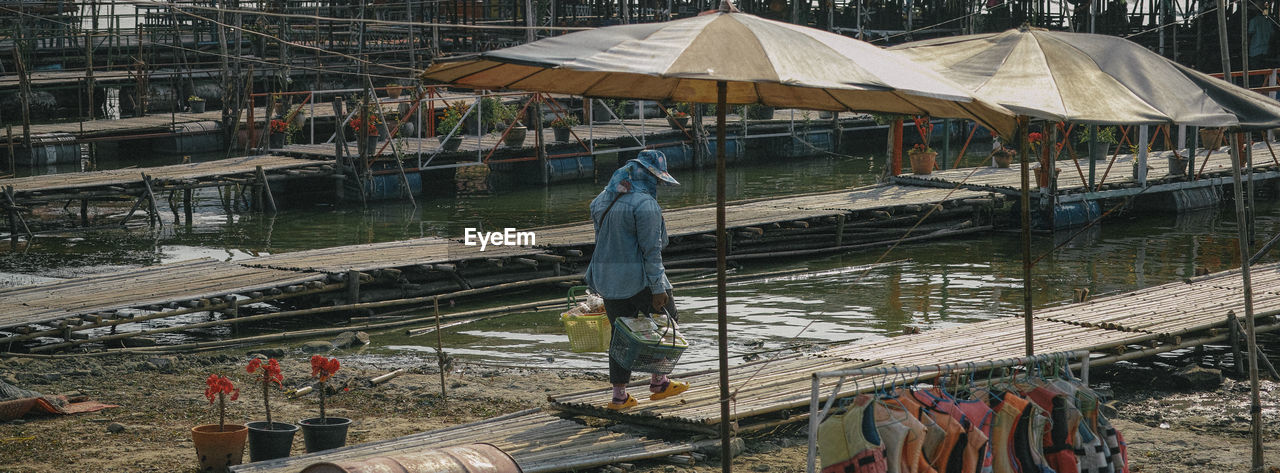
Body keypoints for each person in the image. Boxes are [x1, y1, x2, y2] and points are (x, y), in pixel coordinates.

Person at [584, 150, 689, 411]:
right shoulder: (645, 205)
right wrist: (657, 287)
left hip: (608, 278)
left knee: (620, 336)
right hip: (639, 278)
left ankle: (619, 396)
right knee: (668, 323)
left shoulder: (601, 200)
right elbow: (651, 251)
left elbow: (603, 241)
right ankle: (659, 381)